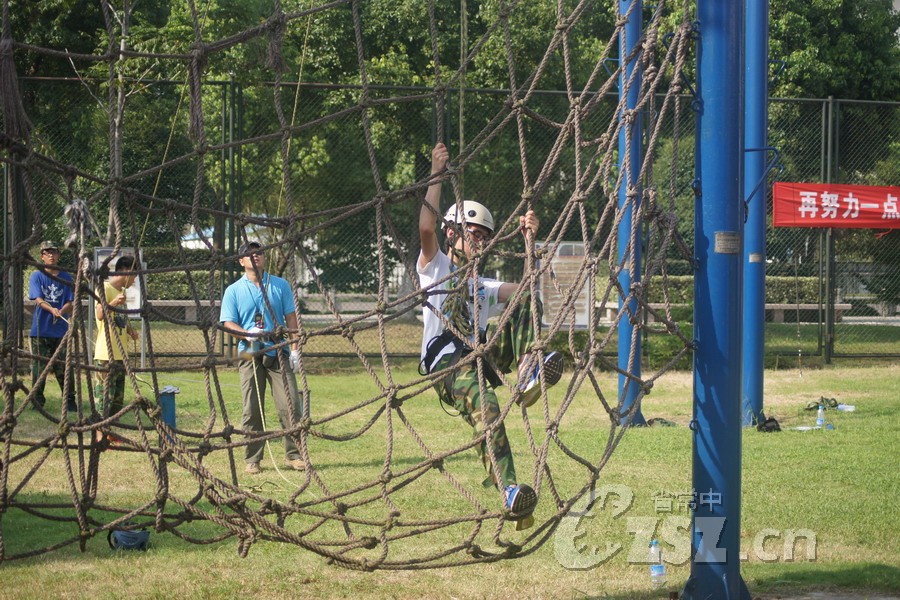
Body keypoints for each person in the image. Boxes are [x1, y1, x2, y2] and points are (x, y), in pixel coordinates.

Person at [417, 142, 563, 527]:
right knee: (489, 409)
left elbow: (527, 288)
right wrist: (437, 172)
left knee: (527, 297)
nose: (480, 241)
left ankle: (529, 370)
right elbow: (426, 227)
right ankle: (510, 490)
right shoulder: (436, 268)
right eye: (473, 234)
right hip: (448, 364)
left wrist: (530, 241)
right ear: (452, 233)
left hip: (479, 360)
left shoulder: (481, 285)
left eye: (485, 236)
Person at [220, 241, 305, 475]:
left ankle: (295, 454)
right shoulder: (233, 290)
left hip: (278, 348)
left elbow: (291, 319)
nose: (255, 256)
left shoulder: (280, 285)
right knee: (251, 407)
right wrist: (247, 333)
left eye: (259, 253)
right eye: (249, 254)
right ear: (241, 261)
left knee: (290, 404)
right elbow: (228, 322)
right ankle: (253, 458)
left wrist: (295, 350)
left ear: (264, 258)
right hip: (249, 350)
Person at [28, 241, 76, 412]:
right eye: (47, 252)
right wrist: (51, 309)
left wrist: (62, 310)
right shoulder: (36, 276)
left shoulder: (66, 277)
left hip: (61, 330)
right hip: (41, 330)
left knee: (64, 366)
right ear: (42, 256)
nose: (51, 255)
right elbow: (38, 298)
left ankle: (70, 400)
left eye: (54, 252)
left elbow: (70, 300)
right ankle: (37, 400)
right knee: (39, 366)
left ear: (58, 255)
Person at [94, 255, 140, 418]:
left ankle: (111, 430)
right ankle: (100, 431)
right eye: (134, 275)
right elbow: (100, 314)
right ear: (125, 271)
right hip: (106, 355)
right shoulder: (104, 288)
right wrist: (114, 302)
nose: (134, 279)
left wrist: (129, 331)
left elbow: (119, 319)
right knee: (104, 400)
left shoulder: (122, 292)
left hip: (121, 355)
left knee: (116, 403)